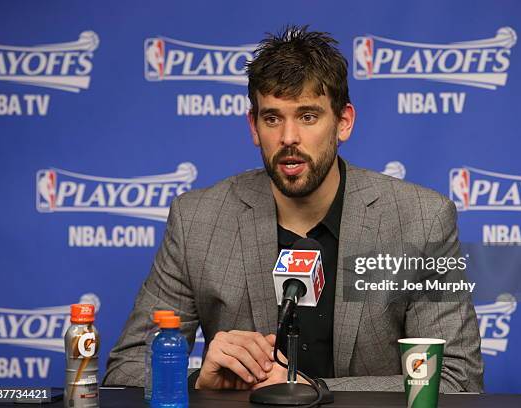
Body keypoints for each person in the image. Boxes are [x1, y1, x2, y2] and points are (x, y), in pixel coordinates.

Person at [104, 25, 483, 392]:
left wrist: (311, 390)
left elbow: (455, 379)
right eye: (272, 118)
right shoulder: (197, 221)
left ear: (343, 122)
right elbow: (126, 371)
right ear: (253, 127)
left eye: (307, 116)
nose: (288, 138)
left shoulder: (422, 219)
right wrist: (196, 381)